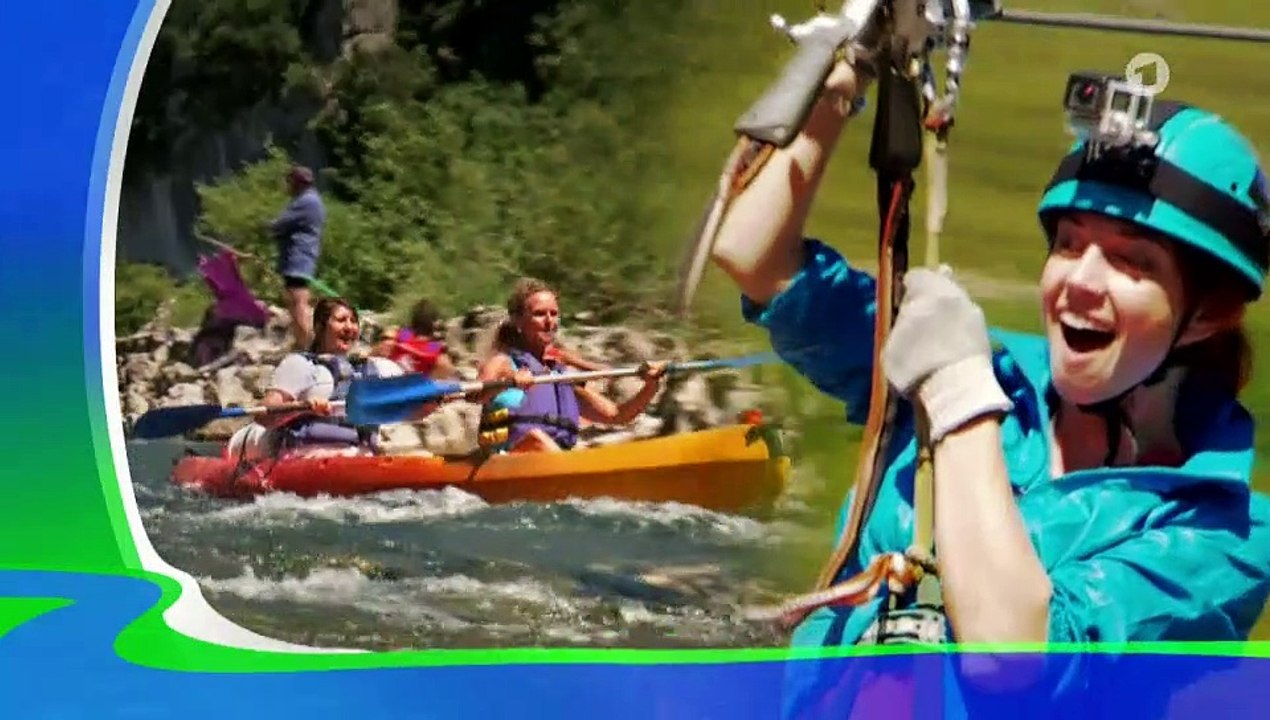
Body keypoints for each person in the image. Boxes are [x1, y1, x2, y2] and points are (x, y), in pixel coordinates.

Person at [708, 59, 1270, 673]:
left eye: (1133, 262)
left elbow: (1011, 661)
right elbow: (757, 259)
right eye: (1069, 244)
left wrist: (957, 395)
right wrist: (846, 74)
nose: (1079, 282)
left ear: (1208, 315)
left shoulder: (1226, 539)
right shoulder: (994, 366)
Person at [225, 297, 434, 463]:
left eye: (353, 321)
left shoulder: (376, 368)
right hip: (307, 455)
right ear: (320, 327)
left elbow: (415, 409)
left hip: (359, 455)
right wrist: (303, 408)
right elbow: (265, 415)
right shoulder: (300, 365)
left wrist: (439, 400)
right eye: (341, 320)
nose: (350, 326)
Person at [473, 278, 667, 453]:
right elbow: (475, 396)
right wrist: (509, 382)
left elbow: (618, 415)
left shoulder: (561, 377)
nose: (550, 321)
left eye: (554, 314)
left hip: (551, 460)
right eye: (539, 314)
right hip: (507, 459)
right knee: (535, 439)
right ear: (518, 321)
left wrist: (651, 386)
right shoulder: (502, 362)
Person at [268, 164, 326, 350]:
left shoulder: (305, 201)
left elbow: (281, 224)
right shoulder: (312, 200)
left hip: (298, 257)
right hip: (299, 256)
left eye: (290, 181)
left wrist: (267, 226)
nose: (288, 186)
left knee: (298, 300)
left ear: (297, 182)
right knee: (293, 300)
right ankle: (302, 342)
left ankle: (308, 344)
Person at [372, 297, 459, 379]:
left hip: (391, 387)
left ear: (413, 320)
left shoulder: (401, 336)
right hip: (420, 390)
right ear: (434, 324)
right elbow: (449, 373)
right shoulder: (434, 347)